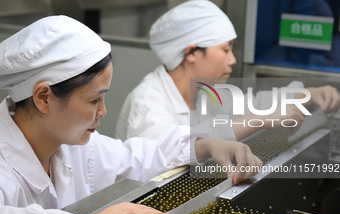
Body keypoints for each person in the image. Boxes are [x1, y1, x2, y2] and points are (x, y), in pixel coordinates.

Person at [0, 15, 262, 214]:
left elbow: (136, 158)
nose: (103, 111)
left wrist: (206, 145)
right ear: (43, 98)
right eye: (94, 100)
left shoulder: (72, 146)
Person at [115, 0, 340, 142]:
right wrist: (259, 119)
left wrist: (310, 94)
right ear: (192, 52)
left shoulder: (206, 93)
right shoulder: (147, 103)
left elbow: (257, 103)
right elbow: (170, 155)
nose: (232, 60)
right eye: (225, 49)